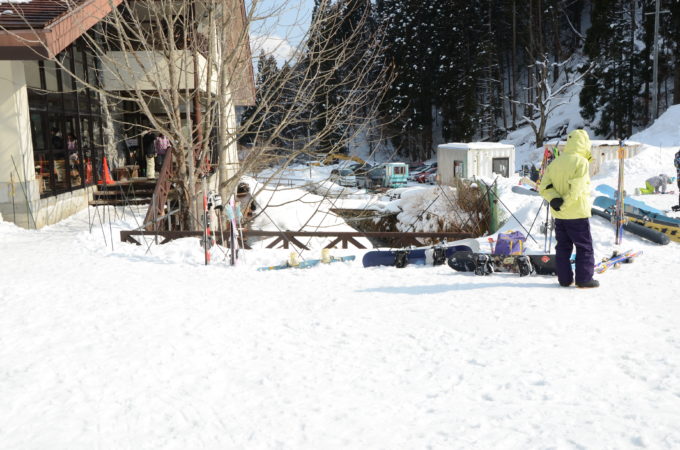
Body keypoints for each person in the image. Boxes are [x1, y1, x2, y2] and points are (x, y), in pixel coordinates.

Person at [539, 129, 598, 289]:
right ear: (584, 144)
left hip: (560, 215)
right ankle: (584, 279)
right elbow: (577, 189)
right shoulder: (581, 162)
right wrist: (564, 203)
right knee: (584, 246)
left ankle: (564, 279)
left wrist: (555, 199)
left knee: (563, 247)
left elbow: (543, 186)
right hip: (577, 213)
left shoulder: (556, 162)